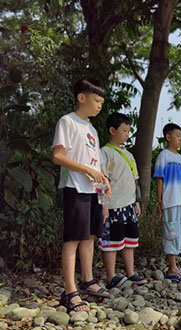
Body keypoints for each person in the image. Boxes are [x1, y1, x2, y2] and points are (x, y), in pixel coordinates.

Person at [52, 78, 111, 312]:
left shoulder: (92, 129)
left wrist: (103, 178)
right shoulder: (68, 122)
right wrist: (86, 169)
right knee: (73, 239)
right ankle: (70, 291)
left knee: (89, 236)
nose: (99, 106)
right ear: (81, 97)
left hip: (93, 190)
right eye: (97, 101)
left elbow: (95, 160)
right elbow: (58, 156)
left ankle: (88, 281)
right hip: (75, 186)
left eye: (102, 103)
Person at [98, 112, 147, 288]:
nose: (127, 134)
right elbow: (102, 179)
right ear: (112, 130)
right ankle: (111, 276)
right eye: (124, 130)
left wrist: (137, 201)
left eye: (128, 131)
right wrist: (103, 204)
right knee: (111, 240)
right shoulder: (105, 152)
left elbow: (135, 179)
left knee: (130, 239)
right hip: (113, 205)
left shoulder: (129, 154)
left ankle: (130, 272)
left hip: (129, 204)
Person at [154, 123, 181, 282]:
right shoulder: (163, 155)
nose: (180, 139)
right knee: (171, 232)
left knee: (179, 232)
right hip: (170, 200)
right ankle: (172, 267)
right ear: (168, 137)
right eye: (178, 136)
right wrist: (160, 201)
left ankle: (175, 265)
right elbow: (159, 180)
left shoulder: (180, 158)